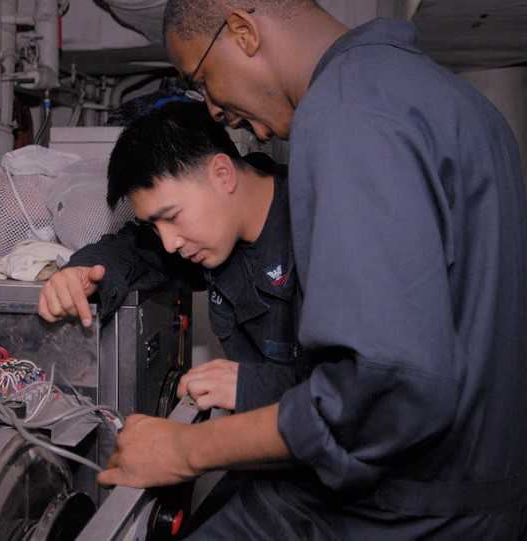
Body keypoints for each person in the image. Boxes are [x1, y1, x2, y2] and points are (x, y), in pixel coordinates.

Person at [44, 1, 527, 539]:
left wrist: (186, 449)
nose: (215, 108)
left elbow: (383, 390)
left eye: (203, 78)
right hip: (453, 489)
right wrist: (84, 270)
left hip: (404, 507)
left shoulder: (346, 112)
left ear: (244, 31)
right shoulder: (434, 96)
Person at [39, 99, 300, 415]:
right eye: (155, 225)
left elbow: (358, 385)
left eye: (172, 216)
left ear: (222, 174)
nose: (169, 243)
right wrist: (78, 272)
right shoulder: (213, 233)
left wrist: (251, 386)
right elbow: (131, 250)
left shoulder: (322, 225)